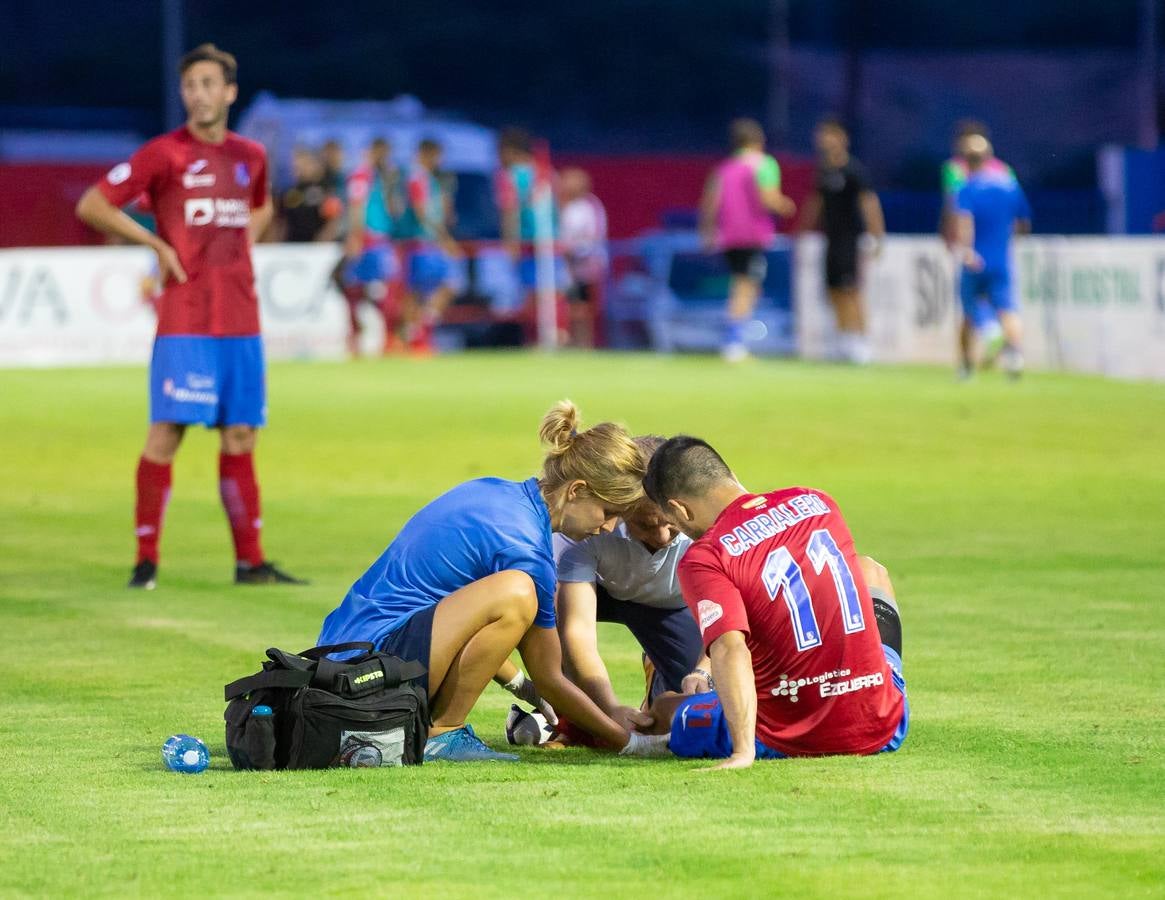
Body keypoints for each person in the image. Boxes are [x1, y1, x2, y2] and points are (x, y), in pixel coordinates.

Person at [316, 401, 665, 762]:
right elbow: (550, 677)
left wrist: (521, 687)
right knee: (516, 593)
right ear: (575, 490)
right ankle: (443, 734)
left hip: (342, 660)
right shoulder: (527, 549)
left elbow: (460, 626)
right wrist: (626, 740)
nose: (607, 528)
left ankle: (436, 731)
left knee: (514, 595)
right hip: (367, 678)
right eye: (607, 512)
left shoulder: (494, 491)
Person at [75, 43, 305, 589]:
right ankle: (145, 562)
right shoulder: (165, 154)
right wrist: (154, 242)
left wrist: (241, 245)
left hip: (242, 321)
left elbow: (262, 204)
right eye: (190, 85)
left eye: (208, 84)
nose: (198, 94)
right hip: (186, 320)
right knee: (166, 433)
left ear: (229, 92)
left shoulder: (251, 154)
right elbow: (93, 203)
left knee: (241, 438)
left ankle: (250, 562)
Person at [637, 436, 909, 770]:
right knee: (870, 570)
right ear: (730, 474)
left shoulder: (705, 555)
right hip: (887, 721)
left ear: (680, 509)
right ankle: (868, 685)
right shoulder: (816, 501)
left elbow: (730, 648)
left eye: (674, 523)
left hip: (788, 735)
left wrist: (743, 751)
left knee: (665, 707)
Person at [551, 436, 706, 742]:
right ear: (622, 508)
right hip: (601, 592)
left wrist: (704, 670)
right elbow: (577, 634)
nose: (662, 537)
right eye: (646, 525)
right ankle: (570, 724)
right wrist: (609, 709)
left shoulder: (707, 520)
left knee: (691, 699)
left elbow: (732, 618)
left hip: (672, 605)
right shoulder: (590, 527)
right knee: (547, 624)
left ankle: (656, 671)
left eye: (670, 524)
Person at [700, 118, 796, 362]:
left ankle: (733, 340)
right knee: (746, 287)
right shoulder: (763, 164)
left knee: (740, 284)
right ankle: (733, 342)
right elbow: (768, 199)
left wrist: (708, 232)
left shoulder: (724, 168)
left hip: (729, 236)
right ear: (759, 140)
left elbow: (709, 204)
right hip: (752, 235)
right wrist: (786, 206)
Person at [798, 118, 885, 365]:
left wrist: (876, 234)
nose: (824, 140)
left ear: (842, 138)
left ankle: (861, 341)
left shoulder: (854, 170)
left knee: (852, 290)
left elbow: (869, 203)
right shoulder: (824, 171)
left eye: (829, 135)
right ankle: (844, 340)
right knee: (833, 290)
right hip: (831, 239)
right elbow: (816, 203)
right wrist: (803, 229)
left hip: (851, 239)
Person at [954, 135, 1031, 380]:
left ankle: (967, 365)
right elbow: (1023, 223)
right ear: (989, 158)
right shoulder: (1009, 186)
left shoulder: (966, 188)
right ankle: (1015, 357)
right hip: (1000, 259)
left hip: (975, 258)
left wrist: (967, 250)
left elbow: (964, 222)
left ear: (965, 161)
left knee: (969, 312)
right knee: (1008, 309)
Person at [397, 138, 465, 353]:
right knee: (451, 283)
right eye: (437, 155)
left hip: (423, 244)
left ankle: (414, 335)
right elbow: (421, 212)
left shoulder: (426, 178)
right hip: (424, 244)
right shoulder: (417, 177)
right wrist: (444, 238)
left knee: (417, 292)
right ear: (428, 154)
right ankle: (418, 333)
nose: (440, 161)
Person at [338, 137, 404, 356]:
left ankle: (384, 339)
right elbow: (357, 206)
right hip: (368, 240)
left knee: (367, 290)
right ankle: (361, 337)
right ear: (372, 152)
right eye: (382, 153)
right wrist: (356, 236)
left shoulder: (381, 178)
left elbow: (394, 211)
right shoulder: (361, 175)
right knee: (358, 290)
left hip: (380, 238)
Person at [558, 168, 608, 349]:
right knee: (569, 305)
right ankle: (571, 342)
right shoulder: (566, 206)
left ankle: (584, 343)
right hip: (568, 265)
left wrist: (576, 253)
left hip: (586, 265)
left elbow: (592, 237)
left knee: (583, 307)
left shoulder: (589, 206)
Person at [278, 146, 340, 243]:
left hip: (318, 247)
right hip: (291, 246)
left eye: (304, 164)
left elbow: (333, 221)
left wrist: (320, 242)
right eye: (296, 165)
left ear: (315, 164)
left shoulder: (326, 190)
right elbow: (282, 223)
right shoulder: (289, 192)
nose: (300, 168)